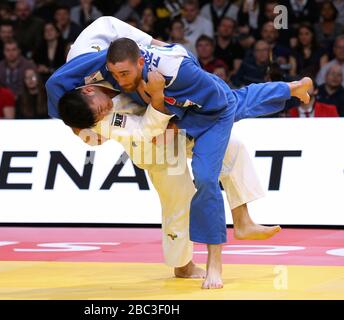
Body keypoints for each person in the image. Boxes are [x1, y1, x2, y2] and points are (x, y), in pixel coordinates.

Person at [46, 17, 293, 288]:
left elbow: (129, 35)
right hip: (151, 143)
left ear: (89, 88)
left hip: (170, 115)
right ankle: (182, 265)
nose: (103, 112)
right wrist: (159, 103)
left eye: (100, 108)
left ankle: (243, 220)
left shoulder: (92, 54)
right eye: (98, 116)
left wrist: (163, 51)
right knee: (179, 197)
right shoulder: (100, 117)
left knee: (233, 149)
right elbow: (143, 132)